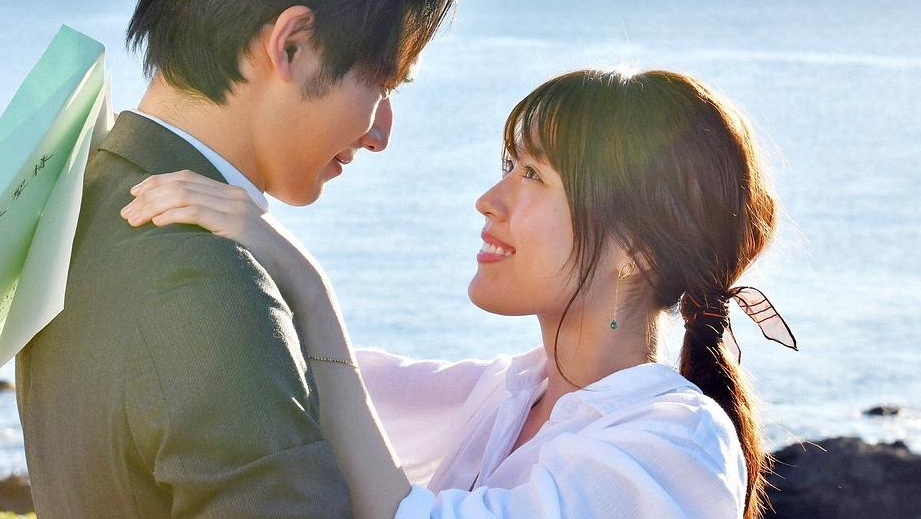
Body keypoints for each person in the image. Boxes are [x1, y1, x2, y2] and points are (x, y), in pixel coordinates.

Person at [15, 0, 475, 518]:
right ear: (293, 46)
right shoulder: (204, 278)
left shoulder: (83, 194)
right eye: (382, 83)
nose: (381, 131)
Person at [123, 68, 798, 519]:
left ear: (639, 250)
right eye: (509, 166)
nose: (489, 200)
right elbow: (307, 375)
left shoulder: (675, 445)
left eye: (534, 176)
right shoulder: (506, 393)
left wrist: (306, 285)